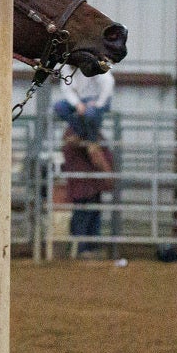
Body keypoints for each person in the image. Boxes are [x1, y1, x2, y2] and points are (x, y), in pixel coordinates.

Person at [59, 108, 113, 253]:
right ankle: (82, 249)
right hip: (85, 184)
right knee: (84, 217)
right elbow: (96, 156)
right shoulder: (79, 134)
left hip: (90, 184)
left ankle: (87, 248)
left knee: (89, 216)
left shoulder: (86, 134)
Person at [53, 65, 115, 138]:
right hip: (80, 99)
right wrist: (77, 104)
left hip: (97, 99)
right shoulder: (66, 67)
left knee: (90, 113)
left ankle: (92, 139)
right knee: (59, 107)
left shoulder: (92, 62)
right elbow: (67, 89)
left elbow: (108, 82)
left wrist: (99, 102)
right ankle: (82, 134)